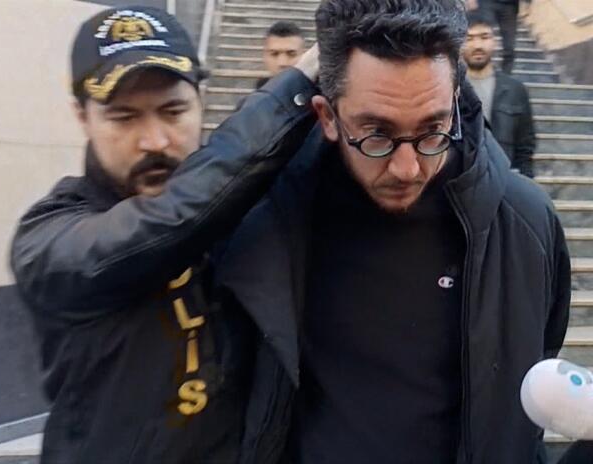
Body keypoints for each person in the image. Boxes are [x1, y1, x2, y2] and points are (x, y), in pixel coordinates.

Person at [213, 0, 570, 462]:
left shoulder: (525, 224)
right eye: (377, 134)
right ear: (327, 117)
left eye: (432, 130)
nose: (407, 168)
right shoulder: (270, 220)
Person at [9, 6, 319, 463]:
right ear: (82, 116)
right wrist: (294, 89)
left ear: (201, 99)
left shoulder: (244, 204)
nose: (154, 140)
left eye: (174, 111)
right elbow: (165, 221)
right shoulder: (48, 237)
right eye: (123, 117)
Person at [463, 10, 536, 177]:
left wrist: (524, 184)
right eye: (469, 38)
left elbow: (525, 148)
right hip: (460, 183)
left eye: (484, 37)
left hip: (503, 180)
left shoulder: (515, 90)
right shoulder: (450, 89)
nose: (477, 45)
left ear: (494, 41)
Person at [257, 21, 306, 89]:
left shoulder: (317, 90)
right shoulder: (262, 89)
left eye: (291, 54)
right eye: (274, 54)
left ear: (305, 56)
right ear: (264, 56)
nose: (282, 63)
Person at [479, 0, 520, 74]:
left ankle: (506, 75)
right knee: (483, 38)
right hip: (487, 3)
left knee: (509, 46)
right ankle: (481, 72)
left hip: (510, 5)